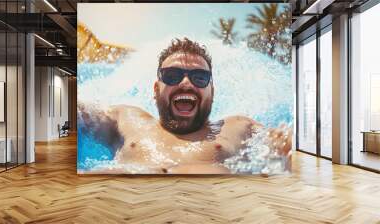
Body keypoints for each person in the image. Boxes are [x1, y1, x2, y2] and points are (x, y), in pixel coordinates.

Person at [78, 38, 291, 174]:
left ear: (212, 91)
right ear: (156, 89)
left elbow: (284, 144)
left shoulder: (238, 126)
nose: (185, 83)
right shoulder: (126, 118)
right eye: (172, 75)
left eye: (199, 77)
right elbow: (80, 112)